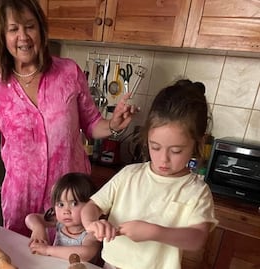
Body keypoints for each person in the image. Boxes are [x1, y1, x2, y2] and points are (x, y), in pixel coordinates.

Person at [0, 0, 137, 237]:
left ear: (40, 30)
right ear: (2, 36)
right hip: (21, 206)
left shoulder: (69, 73)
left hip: (71, 205)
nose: (23, 36)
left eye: (30, 26)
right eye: (13, 29)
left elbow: (92, 124)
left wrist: (112, 125)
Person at [81, 79, 219, 269]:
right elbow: (93, 205)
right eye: (155, 147)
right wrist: (91, 223)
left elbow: (197, 239)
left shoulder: (196, 191)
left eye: (176, 151)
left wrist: (156, 232)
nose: (164, 159)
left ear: (198, 143)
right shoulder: (129, 175)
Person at [25, 172, 101, 262]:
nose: (66, 211)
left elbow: (86, 253)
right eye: (61, 204)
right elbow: (30, 218)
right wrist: (38, 228)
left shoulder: (92, 231)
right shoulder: (60, 222)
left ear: (90, 206)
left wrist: (47, 250)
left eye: (74, 203)